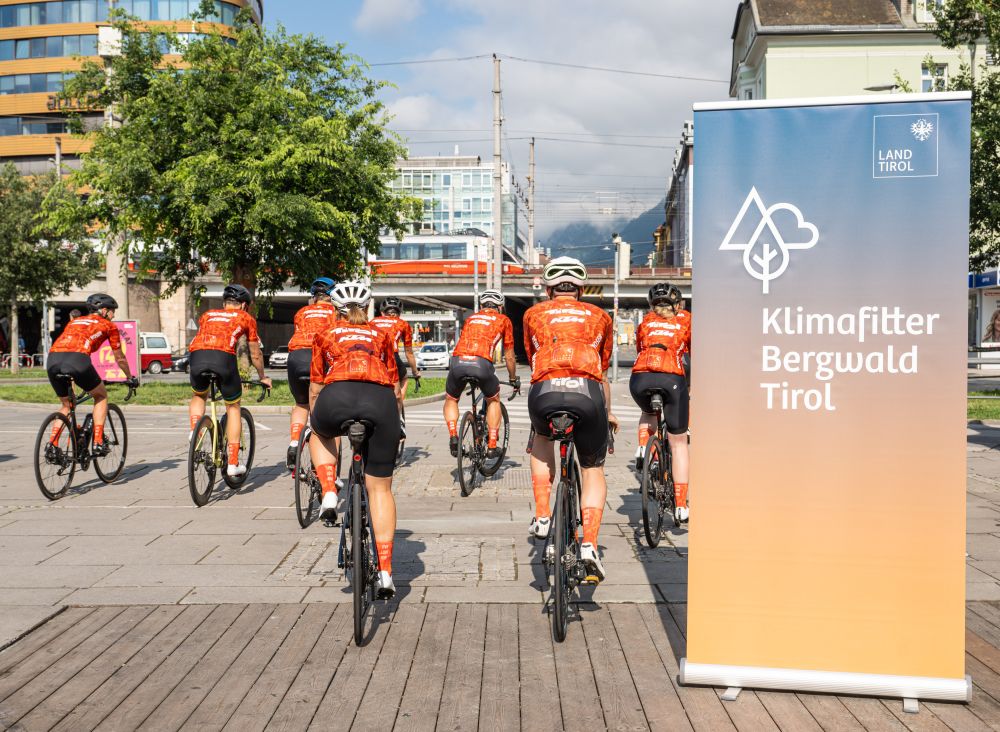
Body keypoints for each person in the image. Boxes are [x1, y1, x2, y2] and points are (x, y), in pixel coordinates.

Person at [523, 257, 617, 583]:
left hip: (544, 393)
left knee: (541, 441)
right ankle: (589, 543)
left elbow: (534, 358)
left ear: (549, 289)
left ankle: (543, 515)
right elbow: (601, 372)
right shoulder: (601, 317)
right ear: (581, 288)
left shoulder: (532, 313)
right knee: (592, 469)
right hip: (587, 393)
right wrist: (608, 414)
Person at [309, 281, 401, 599]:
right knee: (381, 489)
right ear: (368, 308)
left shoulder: (325, 334)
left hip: (337, 397)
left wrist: (315, 416)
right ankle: (386, 572)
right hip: (380, 402)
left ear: (336, 310)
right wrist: (396, 422)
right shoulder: (383, 335)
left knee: (317, 432)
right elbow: (393, 383)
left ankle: (329, 492)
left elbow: (315, 386)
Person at [187, 284, 272, 478]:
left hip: (197, 356)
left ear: (225, 303)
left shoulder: (207, 315)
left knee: (199, 395)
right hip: (223, 358)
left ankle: (195, 433)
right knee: (233, 407)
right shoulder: (246, 318)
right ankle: (233, 464)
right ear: (243, 305)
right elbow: (255, 353)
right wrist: (262, 376)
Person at [47, 293, 138, 454]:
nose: (113, 315)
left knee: (67, 405)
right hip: (77, 360)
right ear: (103, 310)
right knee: (101, 396)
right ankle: (97, 442)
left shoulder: (75, 321)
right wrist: (130, 377)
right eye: (112, 311)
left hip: (53, 359)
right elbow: (119, 357)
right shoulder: (109, 326)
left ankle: (52, 445)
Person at [631, 283, 691, 522]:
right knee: (679, 444)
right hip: (672, 377)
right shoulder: (686, 320)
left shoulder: (645, 322)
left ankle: (644, 446)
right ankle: (680, 504)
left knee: (647, 411)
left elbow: (639, 349)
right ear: (677, 304)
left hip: (639, 378)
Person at [443, 289, 520, 458]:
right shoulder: (503, 320)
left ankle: (454, 435)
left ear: (482, 305)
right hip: (481, 363)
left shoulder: (470, 318)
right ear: (500, 306)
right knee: (493, 400)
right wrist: (513, 379)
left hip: (457, 362)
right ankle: (492, 445)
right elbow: (509, 356)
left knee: (451, 399)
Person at [285, 277, 340, 470]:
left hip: (296, 357)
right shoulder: (336, 312)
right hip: (318, 356)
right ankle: (329, 467)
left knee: (301, 404)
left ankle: (294, 443)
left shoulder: (301, 312)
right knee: (330, 411)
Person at [370, 297, 420, 411]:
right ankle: (397, 411)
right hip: (392, 357)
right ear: (399, 313)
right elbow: (409, 352)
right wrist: (415, 372)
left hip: (373, 358)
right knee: (404, 378)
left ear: (382, 312)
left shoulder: (372, 322)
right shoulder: (402, 324)